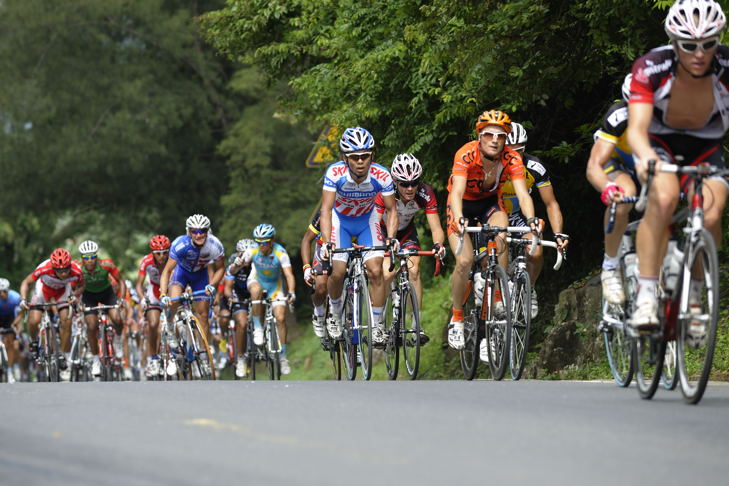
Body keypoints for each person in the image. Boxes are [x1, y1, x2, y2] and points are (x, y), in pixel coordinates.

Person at [626, 0, 729, 337]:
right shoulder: (652, 66)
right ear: (674, 43)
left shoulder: (726, 66)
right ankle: (645, 294)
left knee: (712, 216)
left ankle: (696, 294)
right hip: (661, 143)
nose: (699, 53)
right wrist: (646, 158)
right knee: (665, 199)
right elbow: (637, 129)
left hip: (706, 147)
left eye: (708, 43)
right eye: (689, 45)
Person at [446, 110, 539, 354]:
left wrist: (531, 221)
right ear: (480, 135)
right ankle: (456, 317)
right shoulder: (466, 154)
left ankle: (498, 294)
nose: (495, 140)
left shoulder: (512, 158)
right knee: (464, 261)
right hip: (462, 204)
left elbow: (522, 194)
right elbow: (455, 193)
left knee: (502, 233)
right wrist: (459, 219)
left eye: (501, 135)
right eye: (489, 134)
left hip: (489, 204)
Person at [319, 127, 399, 346]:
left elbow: (392, 210)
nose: (361, 161)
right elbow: (325, 210)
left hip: (367, 221)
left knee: (375, 271)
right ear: (345, 158)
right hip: (340, 222)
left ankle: (377, 326)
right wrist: (327, 242)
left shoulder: (381, 175)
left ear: (371, 155)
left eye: (365, 156)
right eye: (355, 157)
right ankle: (335, 315)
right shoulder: (335, 173)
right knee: (337, 272)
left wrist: (391, 238)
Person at [374, 153, 446, 336]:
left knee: (414, 270)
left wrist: (439, 245)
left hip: (406, 232)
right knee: (386, 273)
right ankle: (378, 322)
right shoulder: (385, 191)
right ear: (395, 182)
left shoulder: (424, 193)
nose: (410, 188)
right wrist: (386, 244)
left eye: (415, 182)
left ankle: (416, 323)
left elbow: (436, 226)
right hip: (382, 232)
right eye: (404, 184)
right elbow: (373, 222)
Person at [504, 122, 569, 318]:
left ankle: (529, 288)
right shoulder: (492, 165)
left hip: (518, 214)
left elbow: (551, 203)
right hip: (494, 210)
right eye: (510, 150)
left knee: (536, 251)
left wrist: (558, 234)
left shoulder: (534, 167)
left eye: (520, 150)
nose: (515, 155)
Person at [586, 74, 638, 306]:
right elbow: (594, 167)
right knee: (625, 196)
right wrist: (607, 187)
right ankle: (610, 265)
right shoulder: (618, 116)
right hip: (617, 164)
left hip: (651, 165)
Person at [159, 214, 226, 361]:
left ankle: (203, 353)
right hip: (181, 273)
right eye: (194, 231)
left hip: (200, 275)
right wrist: (163, 294)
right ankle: (170, 326)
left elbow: (221, 269)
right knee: (174, 301)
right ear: (189, 231)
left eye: (202, 230)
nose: (199, 234)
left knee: (203, 315)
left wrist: (213, 284)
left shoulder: (215, 245)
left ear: (207, 231)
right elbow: (167, 272)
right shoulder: (180, 244)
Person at [232, 224, 296, 375]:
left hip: (275, 285)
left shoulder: (281, 253)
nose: (261, 245)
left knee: (280, 318)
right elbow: (232, 270)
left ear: (272, 240)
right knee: (256, 290)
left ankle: (282, 357)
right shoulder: (252, 250)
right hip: (256, 280)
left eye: (265, 242)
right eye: (259, 241)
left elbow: (289, 275)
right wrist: (236, 265)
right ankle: (258, 328)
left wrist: (292, 291)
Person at [19, 248, 84, 379]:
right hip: (43, 291)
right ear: (53, 267)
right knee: (34, 320)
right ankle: (34, 341)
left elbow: (82, 285)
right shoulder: (44, 268)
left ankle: (63, 358)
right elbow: (26, 282)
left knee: (67, 320)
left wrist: (75, 295)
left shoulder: (76, 270)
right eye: (60, 270)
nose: (64, 273)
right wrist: (23, 299)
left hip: (62, 292)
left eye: (66, 269)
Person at [76, 240, 126, 378]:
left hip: (107, 294)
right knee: (91, 326)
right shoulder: (77, 268)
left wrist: (121, 300)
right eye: (86, 257)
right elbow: (72, 287)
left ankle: (117, 340)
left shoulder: (107, 264)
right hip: (88, 296)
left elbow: (121, 281)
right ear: (82, 259)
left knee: (116, 318)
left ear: (97, 257)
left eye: (93, 256)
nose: (90, 260)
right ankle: (95, 360)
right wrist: (77, 302)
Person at [135, 234, 170, 378]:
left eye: (164, 253)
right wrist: (143, 298)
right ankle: (153, 359)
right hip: (154, 291)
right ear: (152, 253)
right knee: (154, 324)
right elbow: (138, 284)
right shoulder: (147, 261)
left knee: (176, 323)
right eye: (158, 253)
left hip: (171, 289)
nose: (162, 256)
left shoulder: (174, 258)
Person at [224, 238, 255, 378]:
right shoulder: (234, 263)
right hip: (239, 294)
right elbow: (228, 287)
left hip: (256, 293)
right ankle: (241, 357)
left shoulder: (259, 261)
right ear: (238, 254)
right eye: (243, 254)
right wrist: (230, 297)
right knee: (242, 323)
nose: (246, 257)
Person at [300, 208, 329, 338]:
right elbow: (307, 240)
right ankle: (319, 313)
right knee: (322, 287)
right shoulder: (325, 211)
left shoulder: (360, 206)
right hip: (324, 249)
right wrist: (306, 267)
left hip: (347, 248)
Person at [0, 278, 23, 382]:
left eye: (3, 292)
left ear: (7, 291)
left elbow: (19, 315)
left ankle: (10, 370)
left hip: (11, 318)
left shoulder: (15, 297)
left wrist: (14, 325)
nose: (1, 295)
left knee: (11, 343)